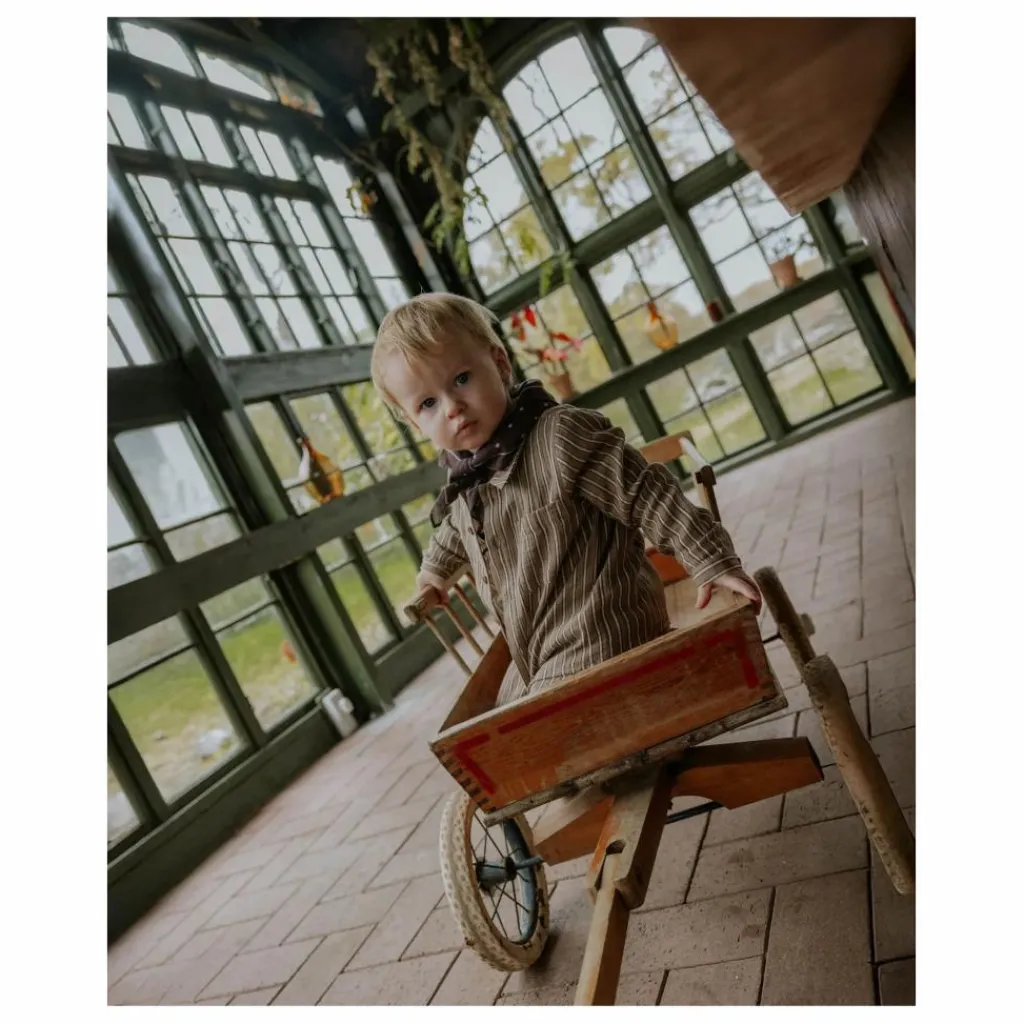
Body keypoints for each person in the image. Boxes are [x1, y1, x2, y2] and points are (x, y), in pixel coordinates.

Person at [371, 293, 760, 705]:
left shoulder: (560, 436)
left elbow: (648, 495)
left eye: (462, 379)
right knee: (502, 708)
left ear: (500, 364)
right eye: (428, 403)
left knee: (531, 723)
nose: (452, 407)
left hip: (605, 626)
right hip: (540, 646)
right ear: (415, 423)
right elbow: (455, 527)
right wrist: (434, 571)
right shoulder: (469, 478)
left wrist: (710, 560)